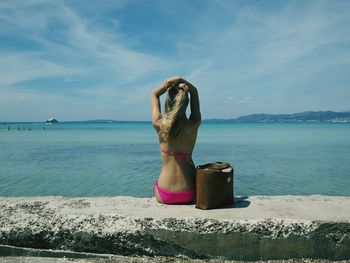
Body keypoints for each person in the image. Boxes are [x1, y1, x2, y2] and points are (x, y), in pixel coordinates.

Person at [151, 76, 201, 204]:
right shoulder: (193, 124)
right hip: (189, 193)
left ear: (167, 102)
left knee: (154, 186)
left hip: (164, 193)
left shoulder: (159, 124)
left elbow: (154, 94)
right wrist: (181, 79)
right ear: (185, 103)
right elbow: (194, 91)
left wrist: (166, 85)